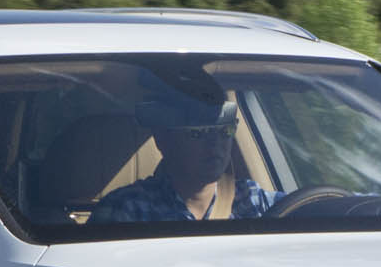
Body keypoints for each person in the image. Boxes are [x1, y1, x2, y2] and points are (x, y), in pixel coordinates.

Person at [91, 93, 274, 224]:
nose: (215, 143)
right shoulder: (127, 209)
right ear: (163, 141)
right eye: (198, 133)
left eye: (225, 131)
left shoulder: (252, 198)